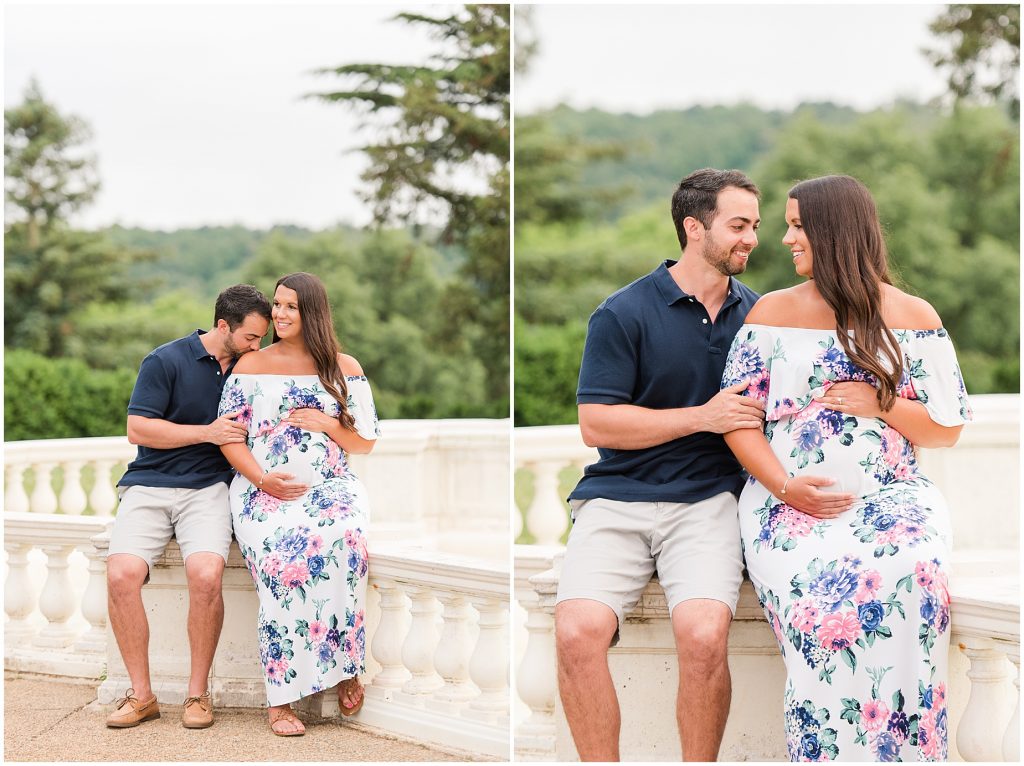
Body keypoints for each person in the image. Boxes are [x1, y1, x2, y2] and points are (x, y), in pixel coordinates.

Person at [720, 175, 971, 761]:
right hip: (786, 502)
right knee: (819, 598)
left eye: (798, 225)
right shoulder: (770, 313)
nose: (784, 238)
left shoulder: (912, 316)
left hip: (892, 498)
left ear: (834, 232)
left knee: (915, 572)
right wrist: (785, 487)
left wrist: (882, 402)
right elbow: (738, 420)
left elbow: (947, 427)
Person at [556, 168, 766, 761]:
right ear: (693, 227)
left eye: (755, 224)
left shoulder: (762, 316)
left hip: (709, 503)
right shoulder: (622, 313)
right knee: (575, 634)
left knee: (702, 636)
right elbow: (597, 423)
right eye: (739, 224)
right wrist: (702, 417)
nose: (752, 237)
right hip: (616, 499)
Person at [217, 271, 380, 737]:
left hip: (331, 489)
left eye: (291, 306)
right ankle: (282, 697)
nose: (280, 315)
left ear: (313, 312)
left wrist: (327, 425)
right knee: (285, 556)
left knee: (346, 544)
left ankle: (347, 665)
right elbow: (230, 438)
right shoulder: (250, 366)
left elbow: (365, 442)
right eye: (277, 305)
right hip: (262, 489)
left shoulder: (343, 368)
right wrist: (262, 479)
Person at [105, 284, 272, 729]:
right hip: (149, 483)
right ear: (223, 326)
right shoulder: (165, 360)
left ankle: (198, 695)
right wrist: (207, 433)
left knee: (205, 575)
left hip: (210, 488)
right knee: (120, 575)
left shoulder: (251, 367)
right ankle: (141, 697)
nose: (257, 346)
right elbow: (138, 429)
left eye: (261, 338)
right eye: (251, 337)